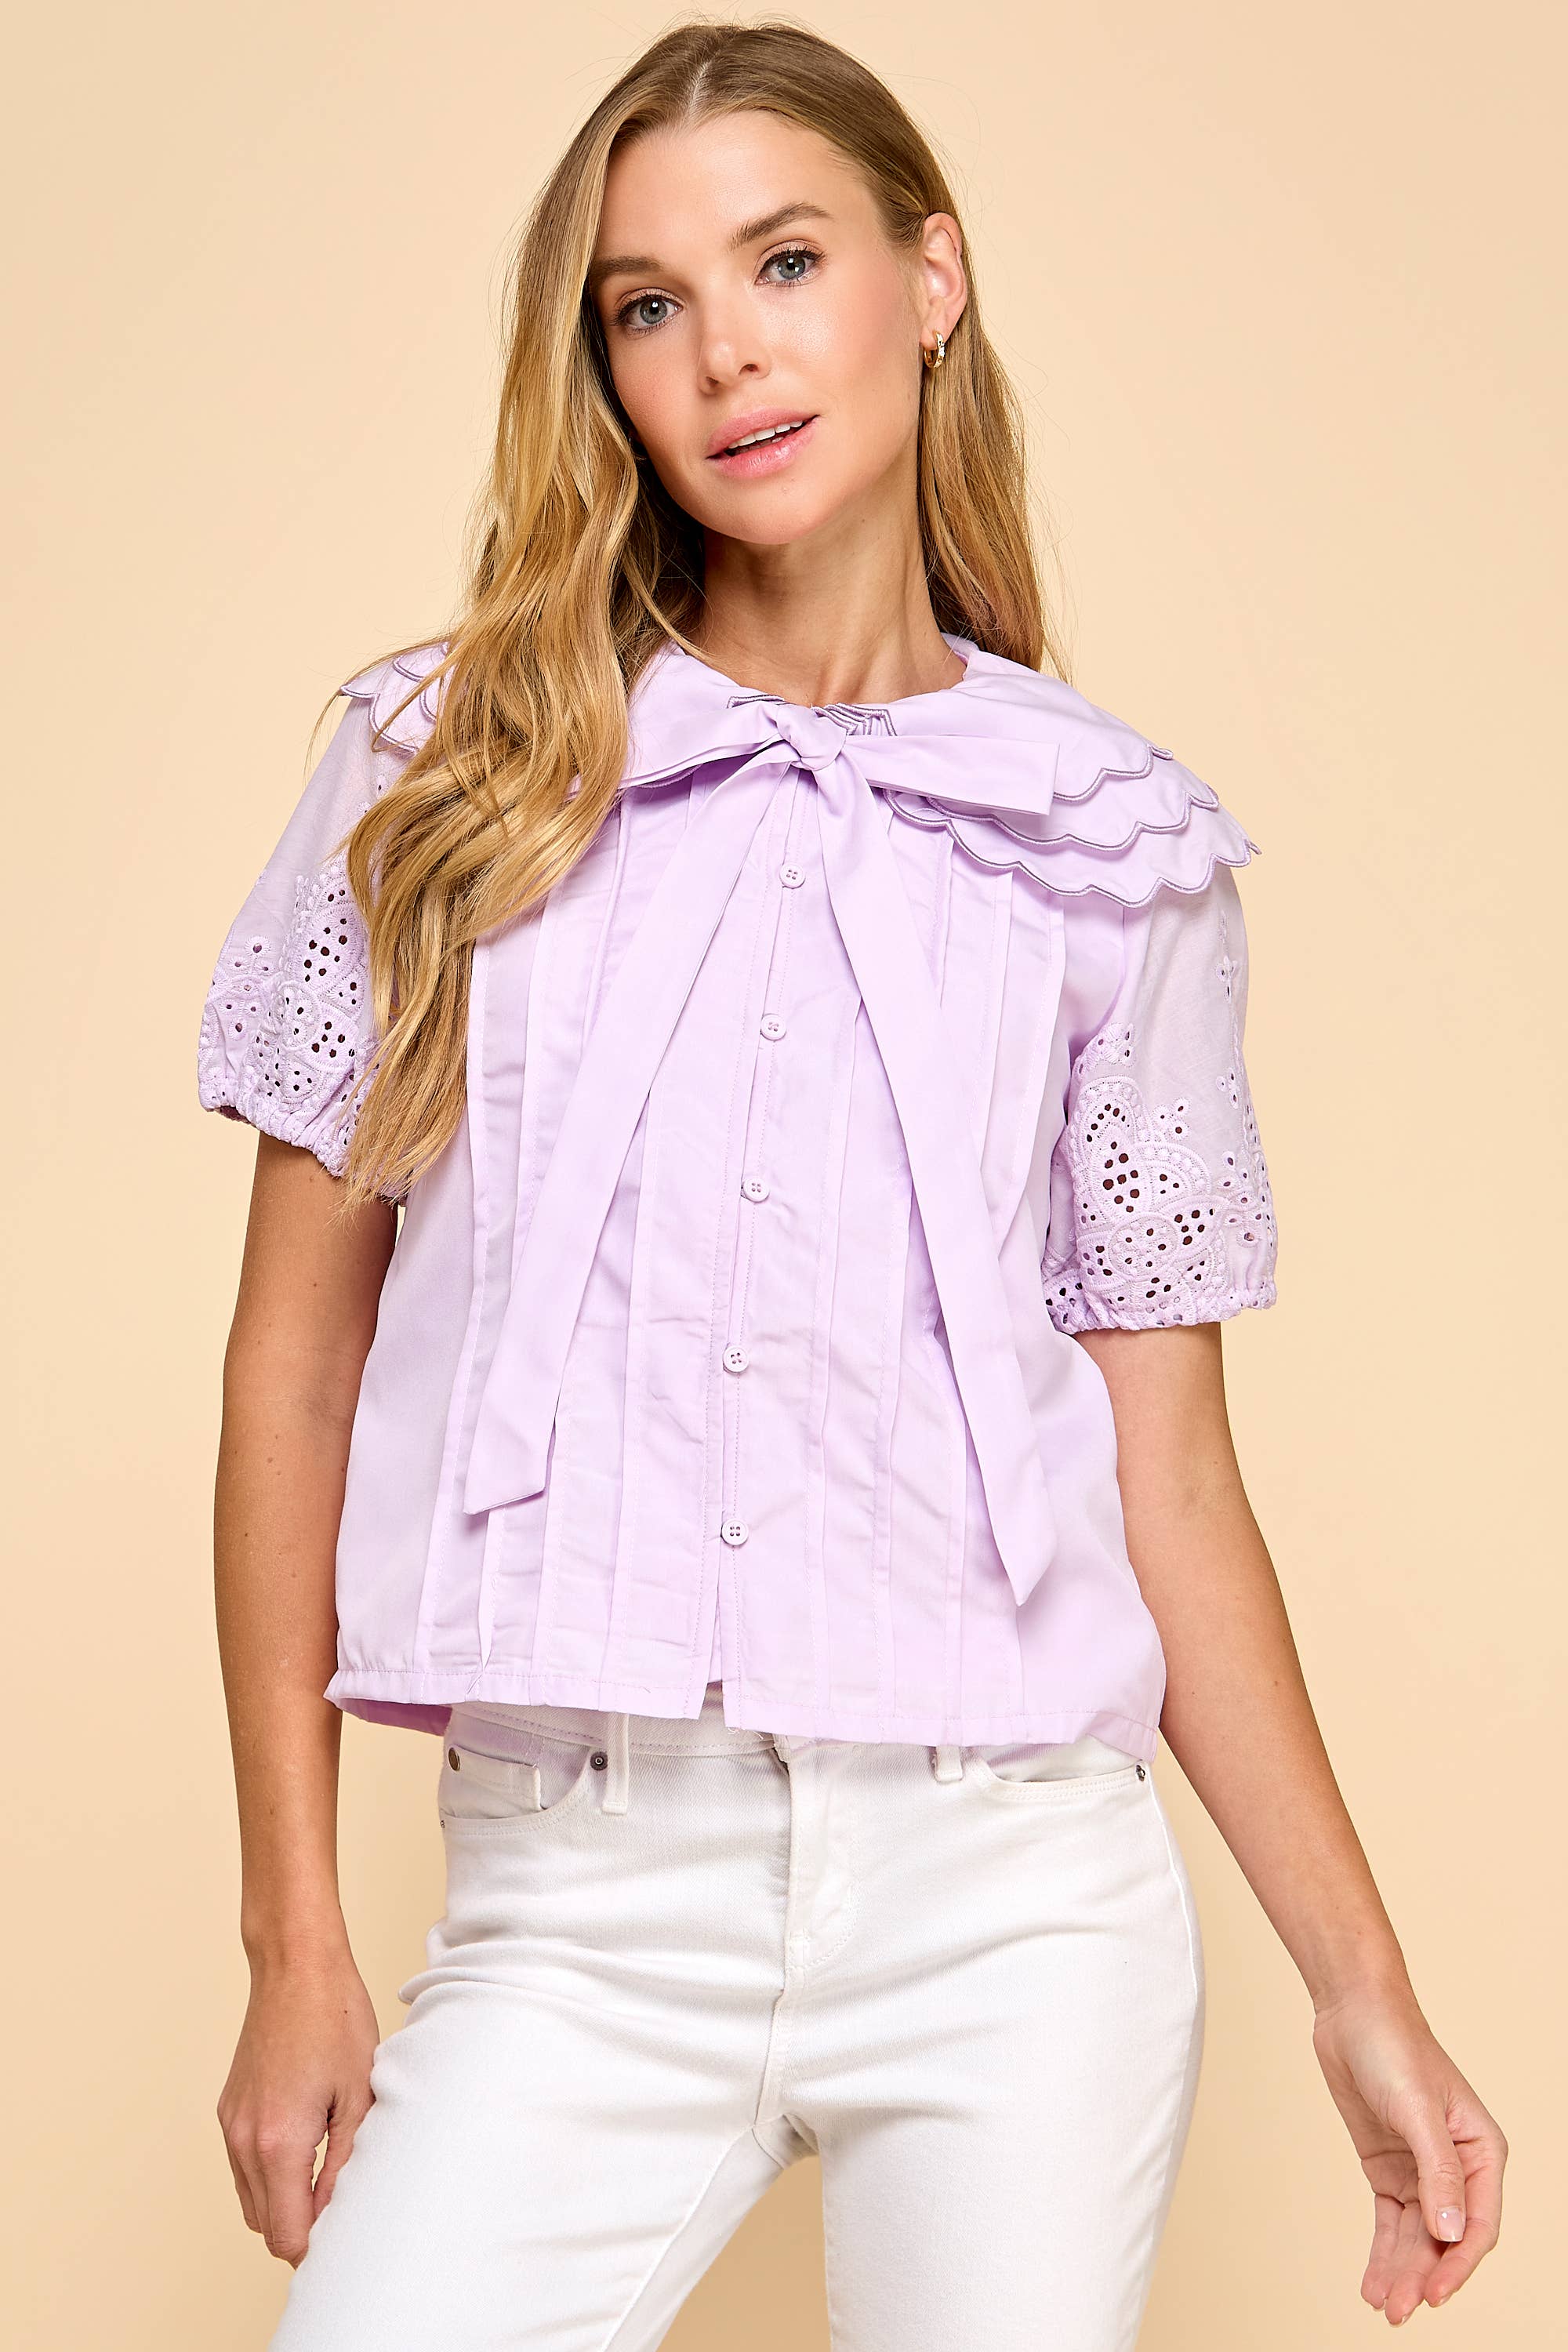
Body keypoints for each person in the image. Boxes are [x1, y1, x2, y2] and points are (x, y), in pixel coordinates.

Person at [199, 20, 1504, 2349]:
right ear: (604, 372)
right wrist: (294, 1932)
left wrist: (1364, 1992)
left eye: (785, 261)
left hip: (1017, 1903)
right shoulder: (445, 778)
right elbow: (294, 1376)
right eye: (650, 304)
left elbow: (1170, 1477)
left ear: (933, 276)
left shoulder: (1110, 848)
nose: (728, 350)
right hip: (583, 1905)